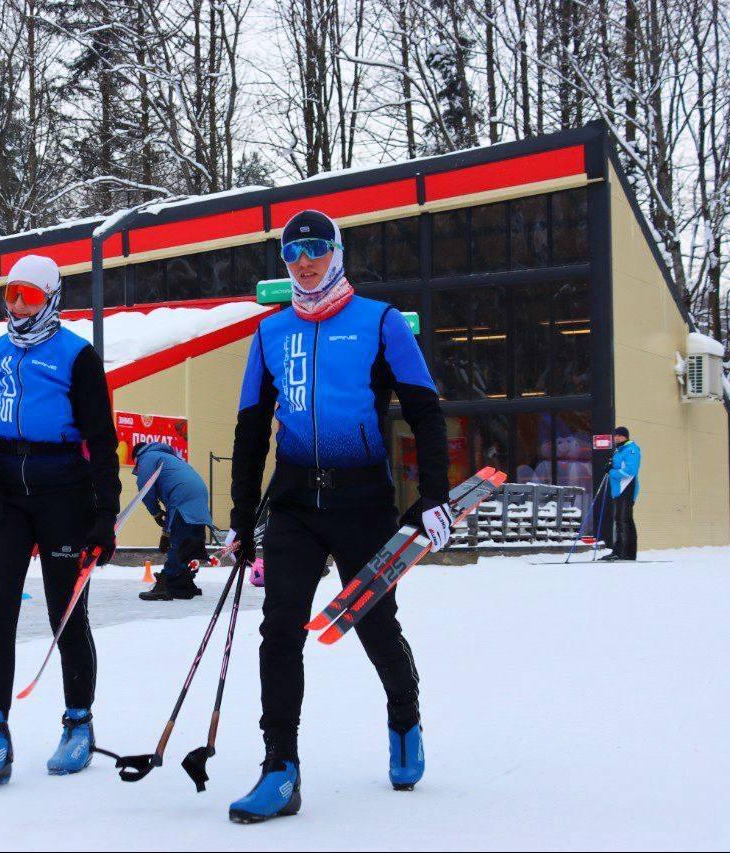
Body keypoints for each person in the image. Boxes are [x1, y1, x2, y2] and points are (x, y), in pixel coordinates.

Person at [226, 209, 450, 822]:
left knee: (375, 626)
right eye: (292, 255)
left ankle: (404, 715)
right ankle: (280, 768)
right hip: (295, 502)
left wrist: (433, 495)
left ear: (338, 251)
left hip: (361, 502)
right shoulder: (270, 333)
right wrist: (242, 518)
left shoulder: (380, 322)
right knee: (278, 629)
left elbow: (425, 414)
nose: (304, 263)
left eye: (316, 250)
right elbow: (250, 433)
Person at [0, 253, 121, 784]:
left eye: (27, 294)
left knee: (65, 615)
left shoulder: (77, 355)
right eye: (10, 294)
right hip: (5, 491)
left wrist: (105, 513)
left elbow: (102, 439)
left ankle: (78, 725)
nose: (18, 305)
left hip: (63, 491)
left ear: (50, 296)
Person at [133, 441, 213, 602]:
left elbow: (145, 487)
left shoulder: (146, 456)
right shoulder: (172, 459)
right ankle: (184, 583)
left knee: (177, 541)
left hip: (181, 496)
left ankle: (167, 584)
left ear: (136, 456)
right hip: (200, 494)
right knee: (191, 543)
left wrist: (156, 514)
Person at [603, 426, 641, 561]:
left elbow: (631, 471)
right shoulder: (619, 450)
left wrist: (612, 472)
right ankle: (628, 553)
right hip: (619, 490)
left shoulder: (631, 450)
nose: (617, 438)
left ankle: (621, 552)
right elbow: (619, 466)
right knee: (624, 520)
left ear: (626, 436)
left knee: (622, 520)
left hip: (626, 489)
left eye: (620, 436)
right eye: (616, 436)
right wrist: (610, 465)